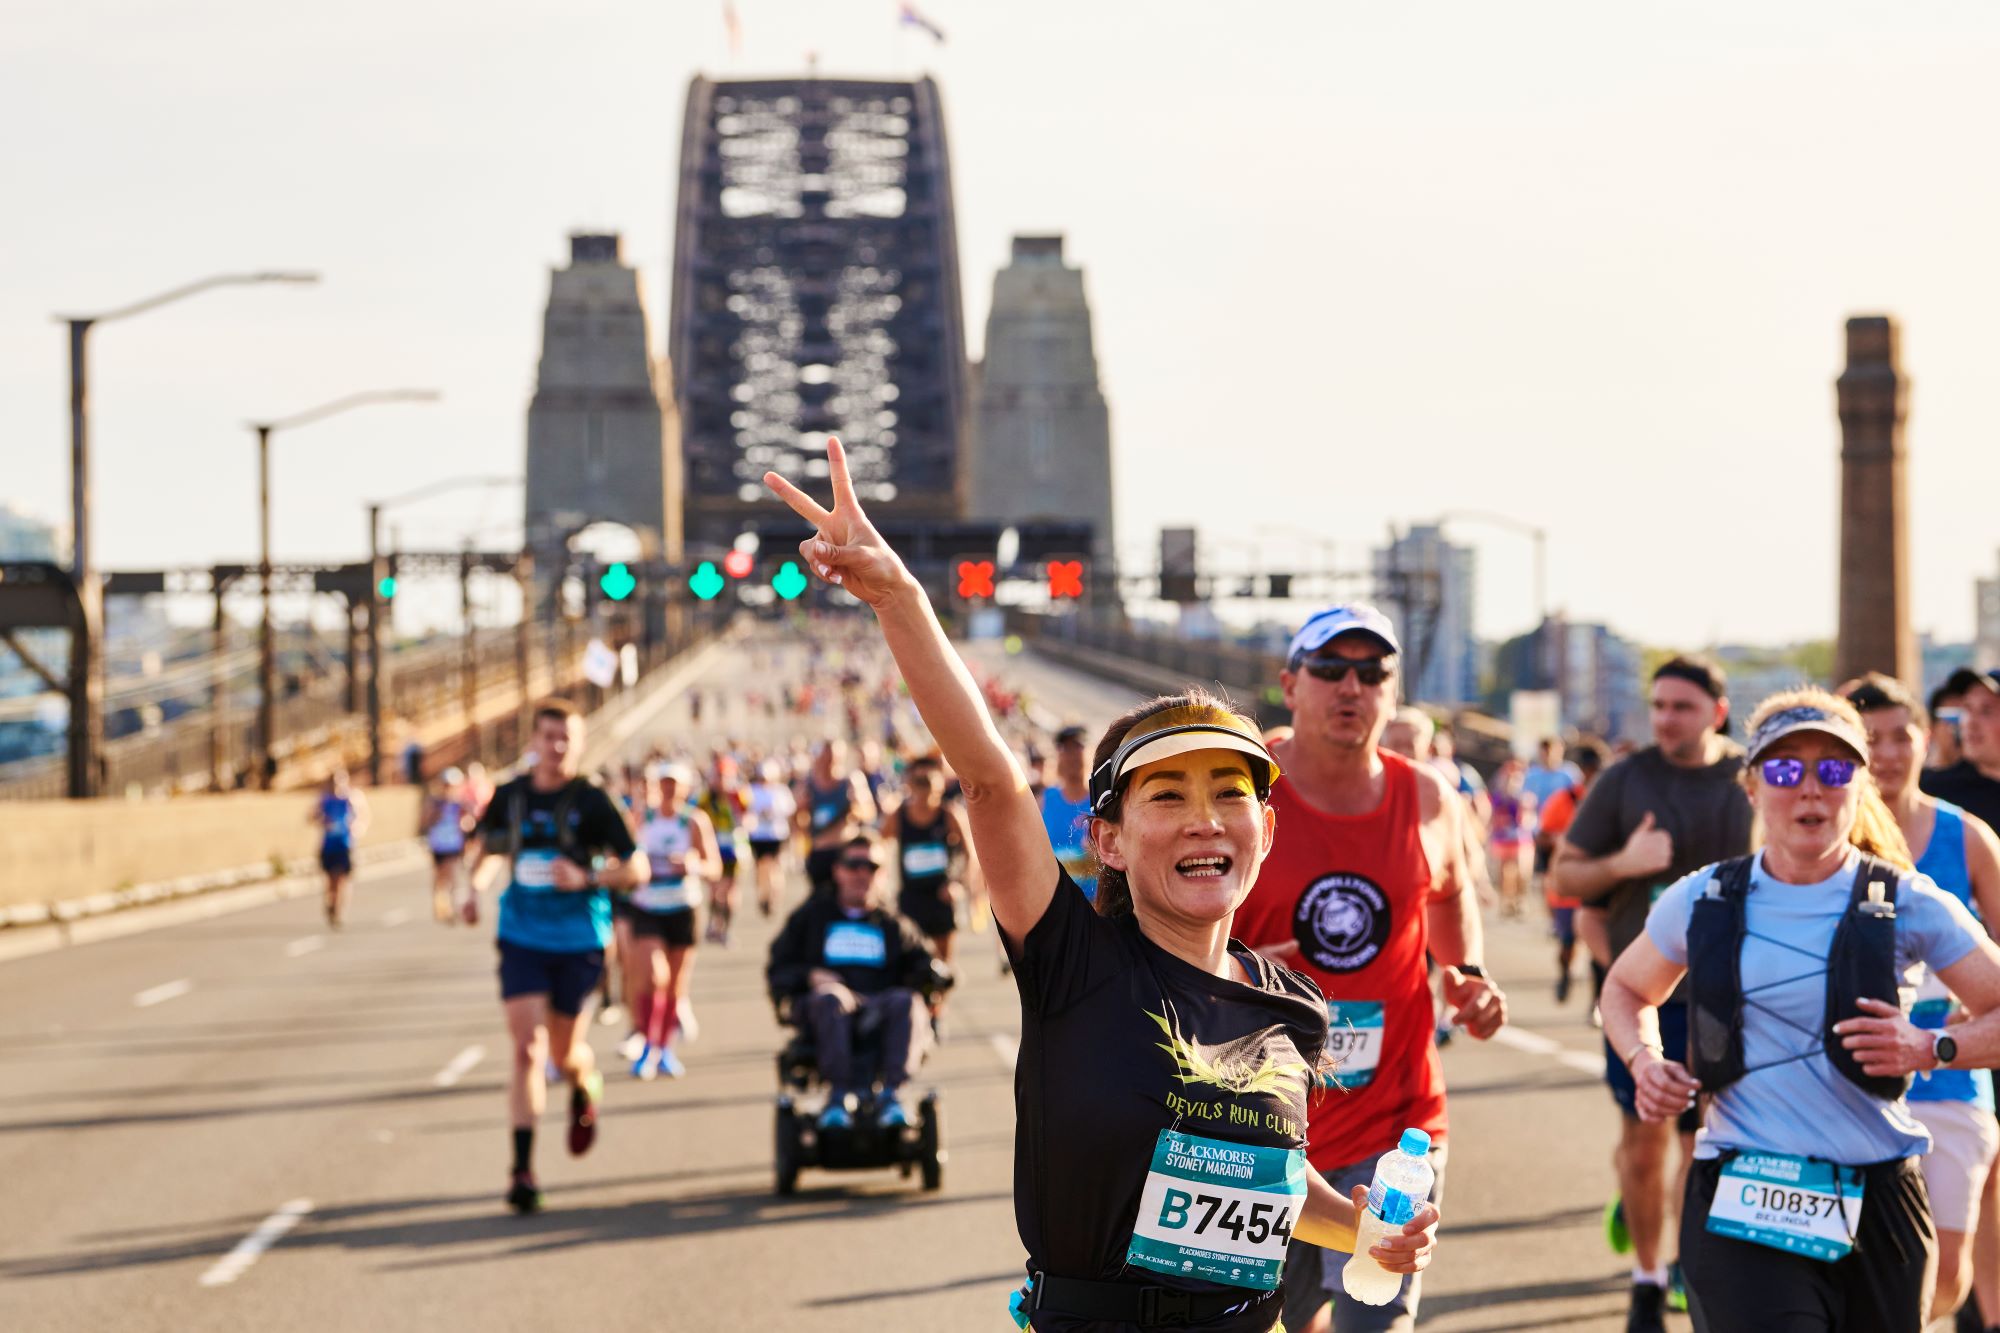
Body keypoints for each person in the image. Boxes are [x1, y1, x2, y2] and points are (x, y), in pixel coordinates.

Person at [766, 441, 1439, 1333]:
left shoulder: (1292, 1010)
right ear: (1108, 842)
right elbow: (994, 785)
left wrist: (1363, 1229)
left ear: (1264, 832)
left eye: (1229, 795)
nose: (1205, 819)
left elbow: (1270, 1180)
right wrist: (900, 596)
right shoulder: (1073, 962)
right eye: (1168, 796)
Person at [1601, 688, 2000, 1333]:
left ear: (1860, 785)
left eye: (1834, 769)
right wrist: (1645, 1060)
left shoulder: (1909, 901)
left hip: (1880, 1195)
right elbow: (1624, 990)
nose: (1810, 788)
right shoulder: (1704, 897)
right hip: (1744, 1188)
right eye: (1786, 770)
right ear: (1753, 787)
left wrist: (1932, 1047)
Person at [1229, 603, 1500, 1333]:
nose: (1352, 687)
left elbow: (1449, 892)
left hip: (1398, 1129)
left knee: (1374, 1320)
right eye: (1330, 670)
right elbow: (1164, 925)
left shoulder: (1428, 797)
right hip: (1260, 1121)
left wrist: (1464, 970)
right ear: (1290, 684)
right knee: (1266, 1321)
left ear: (1391, 690)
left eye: (1372, 672)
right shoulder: (1241, 790)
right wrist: (1235, 966)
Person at [1549, 655, 1753, 1333]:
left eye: (1682, 707)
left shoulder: (1751, 780)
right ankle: (1645, 1275)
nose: (1666, 718)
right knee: (1644, 1141)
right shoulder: (1626, 778)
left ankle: (1686, 1266)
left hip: (1730, 999)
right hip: (1648, 995)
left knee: (1703, 1146)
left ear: (1717, 712)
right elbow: (1567, 875)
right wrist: (1623, 863)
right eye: (1658, 704)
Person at [1845, 674, 2000, 1326]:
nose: (1884, 752)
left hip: (1950, 1076)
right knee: (1854, 1263)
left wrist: (1980, 1006)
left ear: (1925, 737)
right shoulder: (1824, 839)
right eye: (1868, 738)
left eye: (1898, 734)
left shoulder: (1967, 838)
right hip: (1847, 1081)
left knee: (1946, 1278)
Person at [463, 699, 648, 1215]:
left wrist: (587, 877)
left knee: (565, 1055)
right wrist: (473, 891)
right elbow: (489, 851)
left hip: (577, 941)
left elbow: (637, 870)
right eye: (548, 736)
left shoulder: (592, 801)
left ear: (579, 742)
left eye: (566, 737)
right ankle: (521, 1171)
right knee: (526, 1049)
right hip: (522, 936)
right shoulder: (511, 795)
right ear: (534, 741)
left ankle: (584, 1085)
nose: (557, 746)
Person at [767, 834, 940, 1129]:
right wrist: (810, 975)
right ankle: (838, 1097)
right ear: (838, 871)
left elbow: (925, 962)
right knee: (832, 997)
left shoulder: (893, 924)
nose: (862, 873)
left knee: (907, 1001)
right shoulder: (812, 916)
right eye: (853, 865)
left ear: (882, 874)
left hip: (880, 1004)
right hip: (828, 1006)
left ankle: (892, 1096)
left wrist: (936, 975)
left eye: (871, 867)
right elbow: (779, 967)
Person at [629, 763, 723, 1079]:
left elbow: (715, 867)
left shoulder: (694, 821)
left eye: (675, 784)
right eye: (664, 783)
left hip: (683, 907)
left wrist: (692, 865)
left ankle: (664, 1047)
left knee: (676, 985)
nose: (669, 789)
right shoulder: (643, 818)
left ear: (685, 789)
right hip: (647, 906)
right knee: (654, 977)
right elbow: (624, 858)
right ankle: (646, 1045)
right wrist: (640, 868)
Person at [890, 754, 977, 969]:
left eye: (928, 781)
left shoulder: (949, 815)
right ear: (909, 783)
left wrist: (958, 883)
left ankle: (939, 1003)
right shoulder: (898, 816)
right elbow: (878, 846)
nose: (924, 788)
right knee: (910, 961)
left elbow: (970, 855)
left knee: (944, 966)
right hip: (911, 898)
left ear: (940, 782)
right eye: (918, 781)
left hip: (942, 898)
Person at [1537, 739, 1607, 1004]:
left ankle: (1597, 1003)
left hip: (1601, 884)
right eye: (1588, 770)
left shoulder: (1611, 802)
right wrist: (1563, 841)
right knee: (1568, 942)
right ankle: (1565, 972)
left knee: (1599, 948)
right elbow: (1542, 836)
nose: (1592, 776)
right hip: (1568, 886)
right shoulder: (1564, 800)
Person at [796, 739, 879, 897]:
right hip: (819, 851)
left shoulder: (851, 782)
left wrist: (855, 806)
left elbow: (870, 813)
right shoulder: (808, 785)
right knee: (820, 899)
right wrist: (800, 811)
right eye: (825, 757)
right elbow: (797, 823)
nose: (828, 763)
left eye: (833, 758)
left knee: (846, 898)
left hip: (844, 852)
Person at [1040, 724, 1098, 901]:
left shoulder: (1102, 801)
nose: (1073, 755)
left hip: (1097, 906)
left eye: (1078, 746)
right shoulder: (1045, 800)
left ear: (1090, 752)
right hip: (1056, 905)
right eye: (1066, 749)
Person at [312, 770, 369, 928]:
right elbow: (312, 816)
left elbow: (362, 817)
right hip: (329, 846)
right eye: (335, 781)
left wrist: (357, 828)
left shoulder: (352, 798)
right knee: (330, 881)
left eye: (341, 780)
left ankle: (339, 911)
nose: (338, 785)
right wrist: (323, 821)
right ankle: (331, 903)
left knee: (343, 880)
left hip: (346, 845)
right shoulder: (325, 800)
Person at [742, 759, 800, 918]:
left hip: (776, 835)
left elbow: (789, 811)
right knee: (761, 868)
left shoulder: (781, 791)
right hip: (758, 835)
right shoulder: (752, 790)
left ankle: (773, 897)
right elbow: (746, 810)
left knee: (774, 867)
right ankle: (763, 895)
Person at [697, 754, 745, 945]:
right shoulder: (706, 798)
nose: (721, 781)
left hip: (734, 848)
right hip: (713, 848)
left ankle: (726, 929)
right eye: (718, 776)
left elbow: (748, 817)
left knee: (731, 891)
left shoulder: (739, 795)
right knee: (715, 889)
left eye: (724, 776)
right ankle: (713, 924)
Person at [1485, 758, 1536, 919]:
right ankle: (1505, 902)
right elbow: (1491, 816)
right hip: (1502, 839)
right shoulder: (1498, 797)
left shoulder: (1525, 797)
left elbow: (1528, 819)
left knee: (1522, 872)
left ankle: (1519, 900)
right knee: (1503, 872)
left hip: (1521, 839)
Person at [422, 767, 470, 924]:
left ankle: (452, 908)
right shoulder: (435, 802)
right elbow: (425, 821)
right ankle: (439, 906)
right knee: (439, 877)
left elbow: (469, 822)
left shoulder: (459, 804)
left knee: (452, 876)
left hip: (453, 844)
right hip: (438, 844)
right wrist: (437, 813)